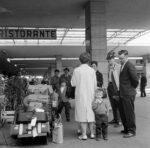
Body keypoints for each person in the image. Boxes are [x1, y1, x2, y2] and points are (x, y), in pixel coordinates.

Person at [71, 52, 97, 140]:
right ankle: (92, 134)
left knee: (82, 113)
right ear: (88, 60)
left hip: (81, 95)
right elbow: (95, 84)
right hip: (91, 95)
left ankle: (84, 134)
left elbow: (73, 83)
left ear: (80, 60)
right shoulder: (92, 70)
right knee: (91, 113)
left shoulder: (76, 70)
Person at [118, 50, 139, 138]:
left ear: (126, 57)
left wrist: (131, 88)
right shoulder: (123, 65)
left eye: (122, 58)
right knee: (123, 112)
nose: (120, 60)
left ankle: (131, 131)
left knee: (129, 113)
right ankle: (126, 128)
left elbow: (135, 79)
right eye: (119, 58)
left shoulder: (129, 65)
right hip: (123, 93)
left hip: (128, 93)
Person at [106, 50, 121, 127]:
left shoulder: (118, 66)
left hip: (116, 87)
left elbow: (120, 78)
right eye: (108, 60)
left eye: (110, 60)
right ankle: (115, 119)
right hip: (110, 87)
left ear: (113, 59)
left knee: (118, 104)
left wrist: (119, 89)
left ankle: (119, 121)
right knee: (113, 104)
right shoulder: (109, 67)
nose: (109, 61)